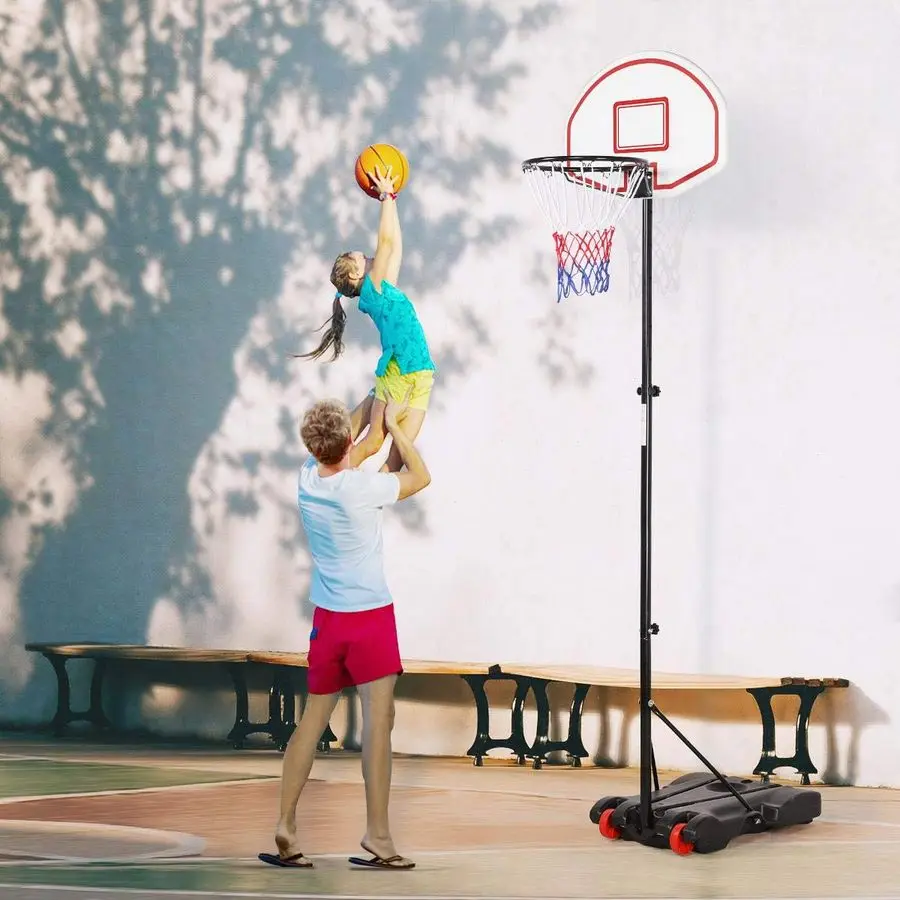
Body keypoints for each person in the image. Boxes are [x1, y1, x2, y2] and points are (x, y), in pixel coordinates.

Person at [258, 387, 431, 871]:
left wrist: (376, 391)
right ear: (348, 444)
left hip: (327, 623)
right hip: (371, 620)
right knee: (379, 726)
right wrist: (394, 424)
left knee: (310, 724)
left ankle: (286, 827)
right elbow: (419, 476)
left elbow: (348, 435)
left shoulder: (307, 479)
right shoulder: (362, 487)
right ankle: (378, 837)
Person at [296, 164, 435, 475]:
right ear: (358, 273)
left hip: (421, 371)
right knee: (374, 440)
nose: (367, 254)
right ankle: (332, 481)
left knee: (400, 452)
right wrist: (384, 195)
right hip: (400, 369)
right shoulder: (373, 290)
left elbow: (395, 245)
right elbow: (385, 245)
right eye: (361, 256)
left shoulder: (383, 287)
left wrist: (393, 200)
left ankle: (372, 500)